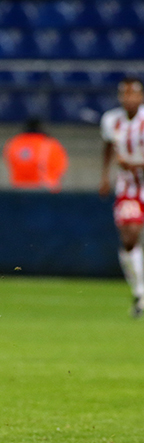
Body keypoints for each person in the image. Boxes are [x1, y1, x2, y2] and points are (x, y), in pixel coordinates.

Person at [99, 77, 144, 317]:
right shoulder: (111, 120)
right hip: (128, 187)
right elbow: (107, 146)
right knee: (129, 236)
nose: (129, 99)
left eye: (133, 94)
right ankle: (140, 292)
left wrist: (135, 164)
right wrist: (105, 176)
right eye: (124, 94)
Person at [3, 118, 68, 192]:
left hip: (18, 188)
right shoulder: (49, 144)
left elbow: (10, 162)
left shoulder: (13, 143)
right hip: (45, 189)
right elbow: (60, 167)